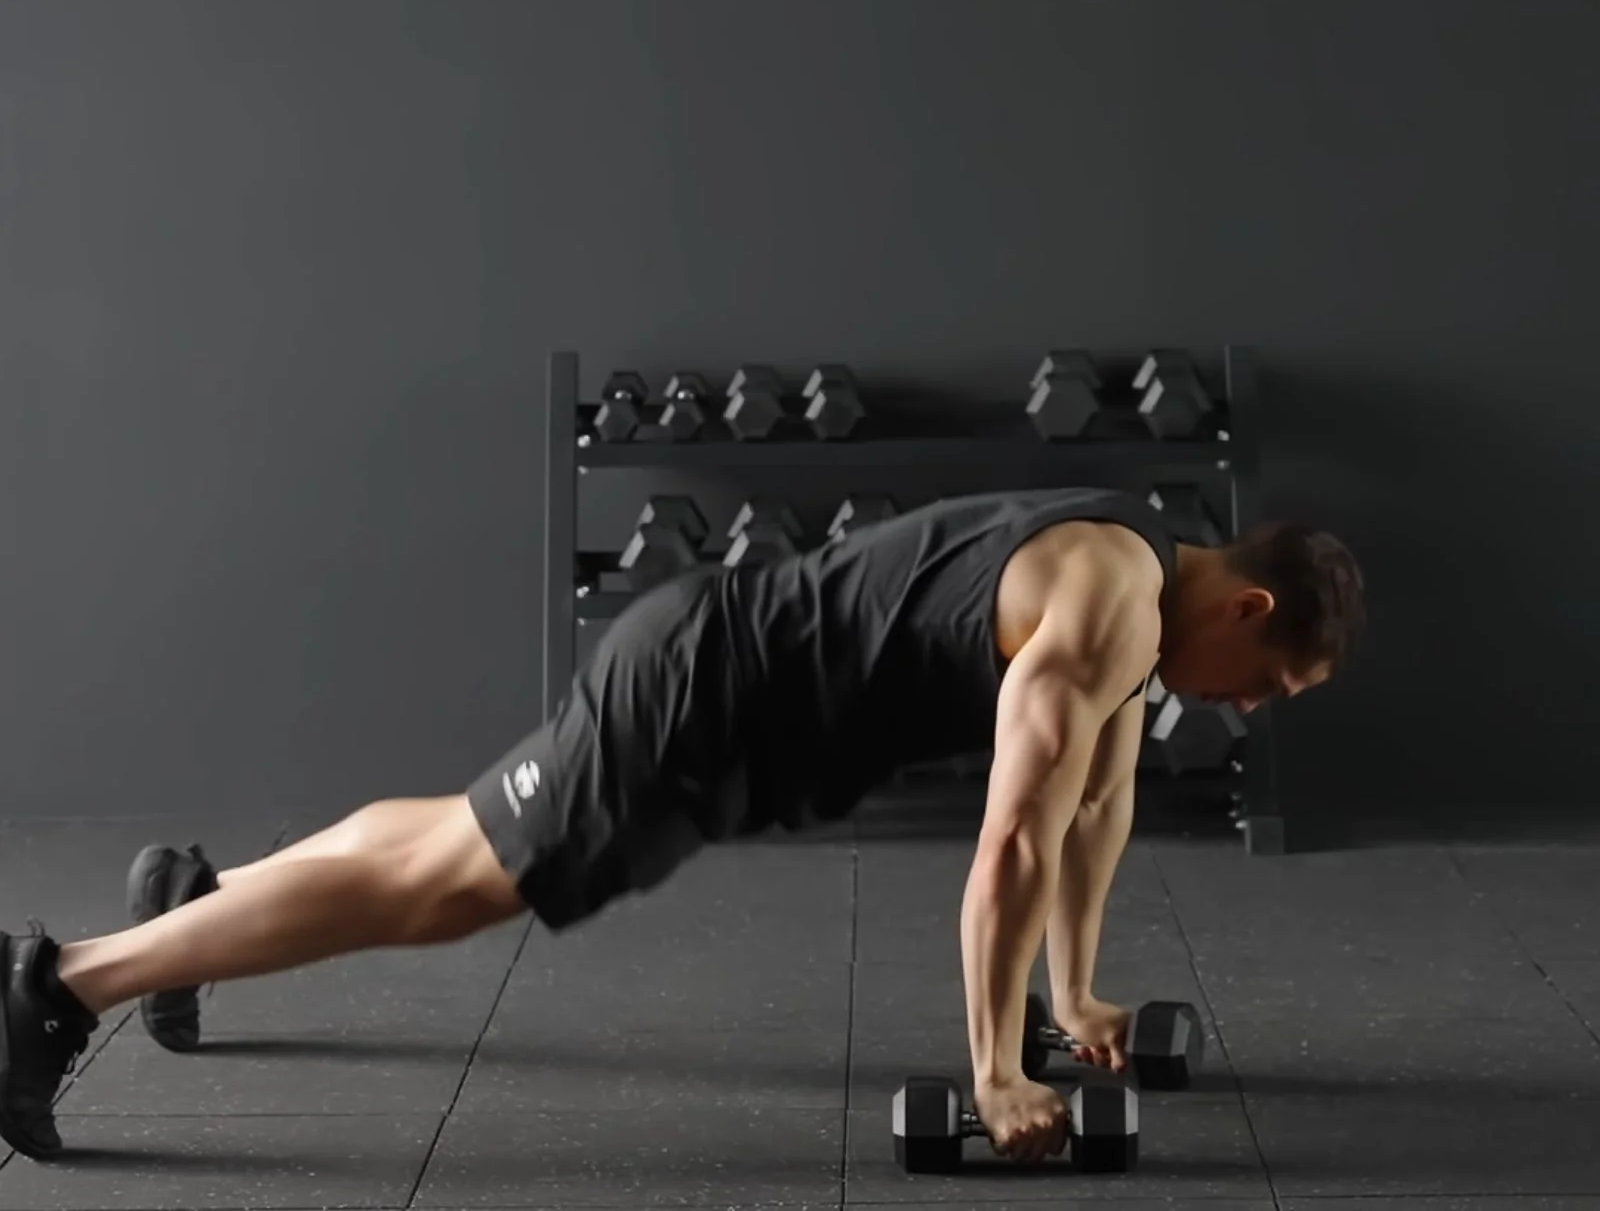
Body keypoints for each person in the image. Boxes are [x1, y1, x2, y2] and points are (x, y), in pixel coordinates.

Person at [0, 486, 1364, 1165]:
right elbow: (1014, 839)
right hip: (704, 702)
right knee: (449, 889)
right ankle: (55, 986)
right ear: (1247, 610)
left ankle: (193, 899)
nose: (1254, 709)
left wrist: (1074, 998)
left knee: (448, 842)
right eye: (1274, 685)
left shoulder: (1139, 580)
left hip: (722, 691)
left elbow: (1096, 807)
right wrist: (997, 1071)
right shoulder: (1108, 611)